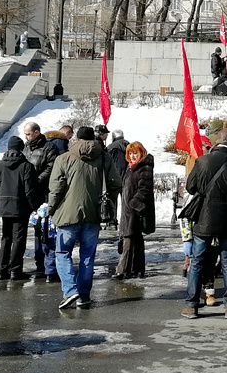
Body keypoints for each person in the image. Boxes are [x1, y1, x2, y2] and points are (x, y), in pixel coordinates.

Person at [47, 126, 121, 309]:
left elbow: (56, 188)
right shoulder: (104, 157)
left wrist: (51, 209)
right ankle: (84, 296)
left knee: (63, 253)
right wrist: (107, 201)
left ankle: (70, 290)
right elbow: (115, 183)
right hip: (94, 214)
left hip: (67, 215)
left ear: (77, 139)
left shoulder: (63, 158)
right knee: (87, 256)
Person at [183, 129, 227, 319]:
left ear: (217, 141)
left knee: (197, 262)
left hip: (204, 220)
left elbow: (190, 187)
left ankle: (192, 305)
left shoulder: (202, 161)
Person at [0, 136, 39, 281]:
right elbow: (29, 190)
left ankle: (2, 268)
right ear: (21, 148)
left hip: (5, 205)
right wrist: (35, 206)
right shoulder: (26, 166)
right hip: (20, 207)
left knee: (6, 237)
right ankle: (16, 270)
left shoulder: (0, 165)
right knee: (19, 238)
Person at [22, 121, 61, 280]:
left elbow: (51, 167)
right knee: (36, 227)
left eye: (28, 134)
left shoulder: (49, 148)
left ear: (37, 132)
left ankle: (46, 263)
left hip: (43, 191)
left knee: (45, 228)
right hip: (29, 192)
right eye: (25, 134)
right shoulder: (26, 147)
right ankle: (39, 262)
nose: (26, 137)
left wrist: (37, 180)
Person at [116, 142, 154, 280]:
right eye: (130, 153)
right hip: (129, 210)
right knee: (136, 239)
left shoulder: (143, 168)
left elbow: (145, 188)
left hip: (135, 210)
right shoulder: (131, 167)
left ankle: (122, 270)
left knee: (128, 238)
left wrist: (134, 203)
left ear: (141, 153)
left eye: (135, 153)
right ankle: (137, 269)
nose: (132, 156)